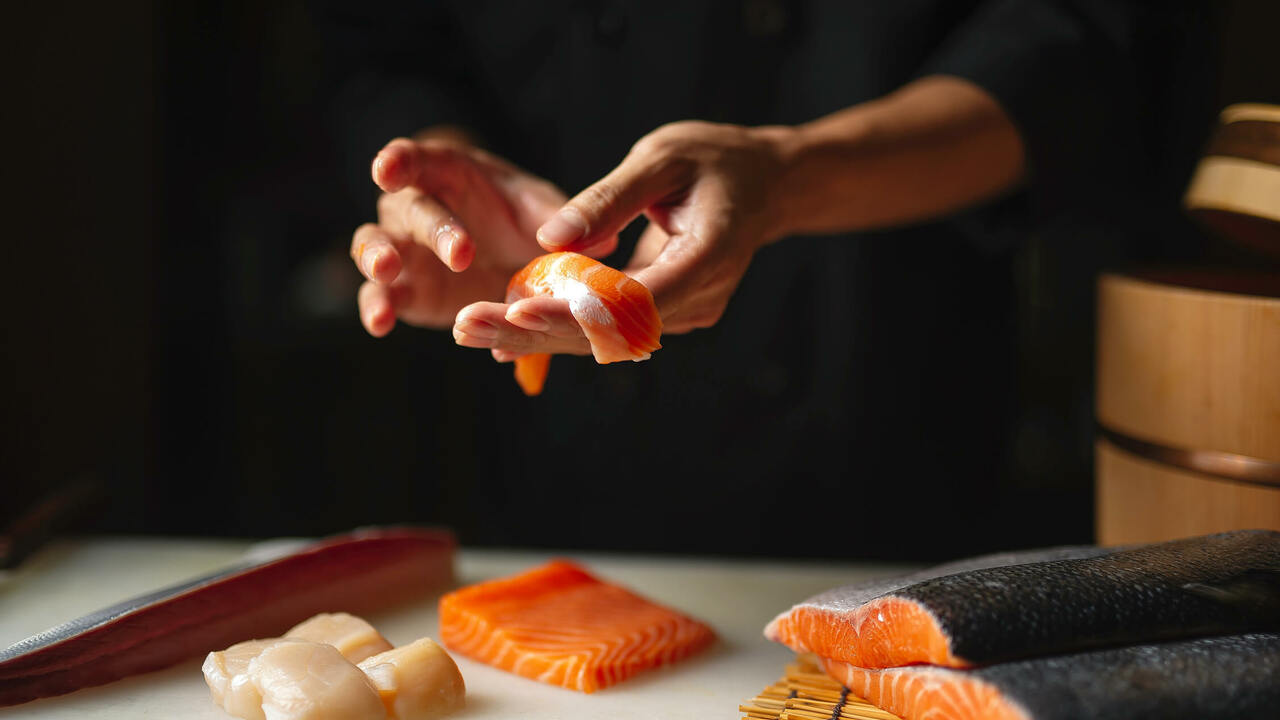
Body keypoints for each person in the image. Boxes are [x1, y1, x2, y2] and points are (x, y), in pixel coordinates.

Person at [340, 0, 1214, 558]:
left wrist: (789, 175)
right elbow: (384, 47)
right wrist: (437, 174)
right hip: (565, 463)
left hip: (889, 407)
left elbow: (1085, 39)